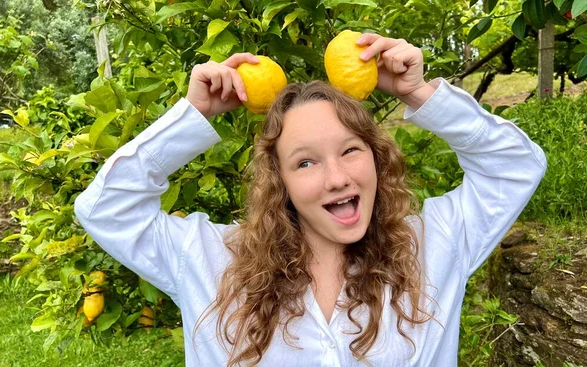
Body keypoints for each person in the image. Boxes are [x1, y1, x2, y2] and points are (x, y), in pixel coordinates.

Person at [74, 33, 546, 366]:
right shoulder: (210, 260)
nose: (337, 178)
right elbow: (104, 208)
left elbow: (515, 166)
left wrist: (419, 93)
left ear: (377, 159)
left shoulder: (435, 245)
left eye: (350, 150)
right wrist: (194, 115)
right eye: (305, 163)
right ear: (278, 181)